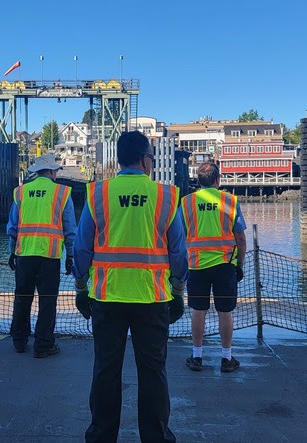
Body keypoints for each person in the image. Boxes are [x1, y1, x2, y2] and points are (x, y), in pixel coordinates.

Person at [72, 131, 188, 443]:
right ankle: (156, 437)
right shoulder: (165, 196)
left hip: (107, 298)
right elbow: (178, 252)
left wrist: (81, 284)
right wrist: (177, 289)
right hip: (152, 300)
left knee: (106, 370)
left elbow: (82, 249)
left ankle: (101, 436)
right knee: (153, 372)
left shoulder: (98, 194)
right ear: (145, 159)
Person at [6, 154, 76, 358]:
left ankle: (19, 340)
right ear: (53, 172)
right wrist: (70, 256)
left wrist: (12, 251)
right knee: (47, 301)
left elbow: (13, 226)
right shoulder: (62, 193)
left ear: (35, 172)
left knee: (22, 297)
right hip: (50, 255)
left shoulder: (21, 192)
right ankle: (43, 344)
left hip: (24, 254)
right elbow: (70, 229)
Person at [181, 162, 247, 373]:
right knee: (225, 312)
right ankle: (226, 358)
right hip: (225, 265)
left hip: (196, 265)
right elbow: (240, 237)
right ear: (218, 180)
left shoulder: (187, 203)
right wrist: (240, 264)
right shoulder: (229, 201)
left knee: (198, 311)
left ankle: (197, 356)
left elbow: (178, 236)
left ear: (198, 181)